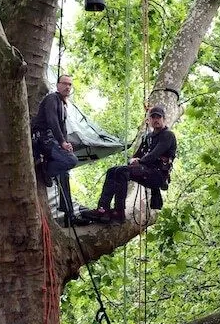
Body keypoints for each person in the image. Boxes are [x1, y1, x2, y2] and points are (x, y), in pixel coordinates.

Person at [84, 105, 176, 224]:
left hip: (157, 175)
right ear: (150, 120)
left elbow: (154, 154)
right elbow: (136, 155)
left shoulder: (168, 135)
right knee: (113, 171)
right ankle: (103, 209)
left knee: (122, 172)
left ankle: (119, 212)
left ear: (164, 119)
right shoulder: (148, 137)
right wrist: (132, 161)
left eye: (158, 117)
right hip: (144, 170)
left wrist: (139, 161)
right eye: (153, 117)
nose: (156, 120)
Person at [31, 74, 81, 224]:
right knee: (71, 160)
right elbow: (52, 120)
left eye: (70, 84)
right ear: (58, 85)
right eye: (64, 83)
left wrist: (66, 143)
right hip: (43, 140)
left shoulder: (63, 104)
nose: (67, 87)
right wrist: (62, 142)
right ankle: (45, 169)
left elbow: (62, 127)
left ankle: (69, 213)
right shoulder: (52, 98)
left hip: (52, 142)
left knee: (65, 173)